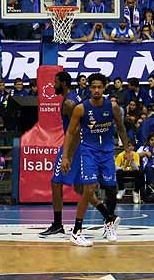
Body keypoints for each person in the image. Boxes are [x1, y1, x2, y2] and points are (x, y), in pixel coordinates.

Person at [40, 71, 112, 237]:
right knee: (81, 189)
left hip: (75, 147)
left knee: (56, 183)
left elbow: (77, 129)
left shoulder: (69, 102)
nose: (53, 85)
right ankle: (109, 215)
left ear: (64, 83)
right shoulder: (75, 98)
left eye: (56, 82)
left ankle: (58, 224)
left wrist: (68, 156)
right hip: (81, 146)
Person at [61, 74, 128, 247]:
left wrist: (127, 150)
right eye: (93, 87)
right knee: (89, 189)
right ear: (89, 88)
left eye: (99, 87)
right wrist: (66, 156)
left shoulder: (112, 107)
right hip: (88, 151)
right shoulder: (80, 108)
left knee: (111, 188)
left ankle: (109, 223)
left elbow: (120, 128)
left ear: (105, 88)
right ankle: (76, 232)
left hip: (107, 152)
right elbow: (70, 133)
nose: (96, 90)